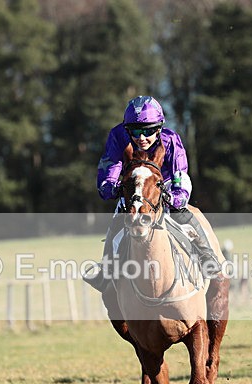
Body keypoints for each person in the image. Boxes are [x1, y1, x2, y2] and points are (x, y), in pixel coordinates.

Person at [84, 95, 221, 292]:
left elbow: (180, 175)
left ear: (159, 128)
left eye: (147, 131)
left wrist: (176, 197)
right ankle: (105, 271)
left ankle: (208, 257)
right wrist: (110, 187)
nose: (141, 138)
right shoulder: (118, 136)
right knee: (117, 220)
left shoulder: (171, 139)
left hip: (163, 187)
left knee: (182, 213)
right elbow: (109, 169)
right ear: (126, 129)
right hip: (132, 188)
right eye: (135, 131)